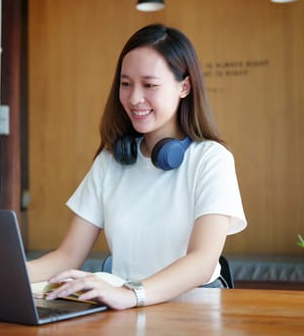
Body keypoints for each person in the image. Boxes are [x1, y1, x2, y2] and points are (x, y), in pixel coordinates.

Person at [27, 23, 247, 310]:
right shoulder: (110, 161)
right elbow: (67, 255)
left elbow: (202, 262)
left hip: (192, 311)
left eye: (150, 85)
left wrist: (132, 294)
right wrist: (2, 276)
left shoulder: (211, 159)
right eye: (126, 83)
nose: (133, 98)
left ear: (184, 87)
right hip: (125, 309)